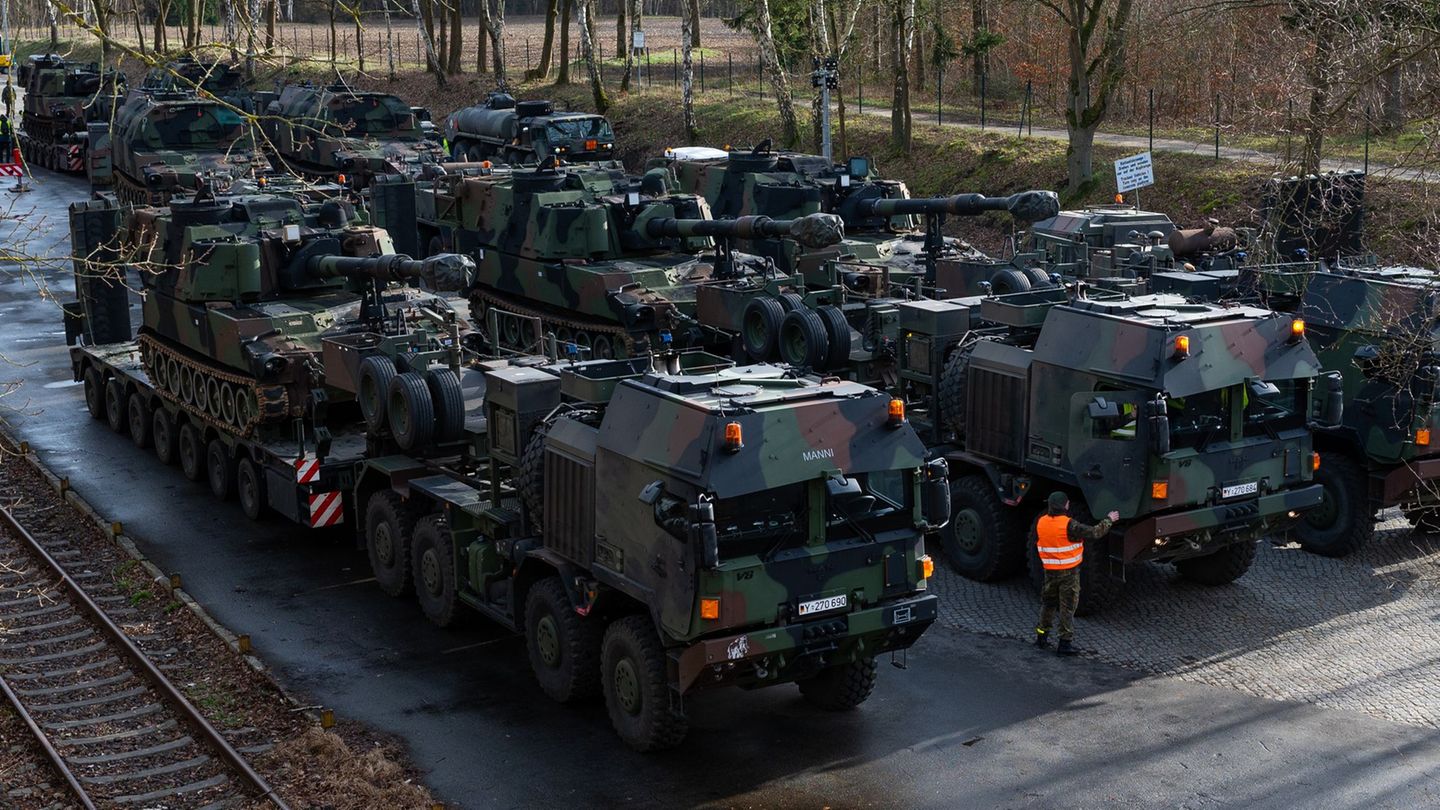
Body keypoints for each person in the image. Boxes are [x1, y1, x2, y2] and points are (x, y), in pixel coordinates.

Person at [1033, 491, 1118, 656]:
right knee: (1067, 608)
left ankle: (1041, 637)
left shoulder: (1041, 522)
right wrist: (1109, 519)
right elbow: (1095, 532)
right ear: (1065, 506)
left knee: (1048, 604)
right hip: (1068, 574)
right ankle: (1064, 644)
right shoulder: (1069, 525)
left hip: (1049, 572)